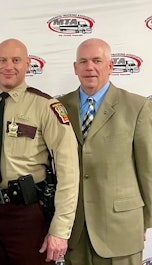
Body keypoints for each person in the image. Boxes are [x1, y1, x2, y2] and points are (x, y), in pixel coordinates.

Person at [0, 38, 80, 264]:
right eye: (3, 60)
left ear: (28, 64)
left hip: (29, 214)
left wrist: (60, 229)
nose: (9, 66)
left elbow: (69, 170)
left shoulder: (46, 106)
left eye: (16, 60)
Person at [58, 38, 152, 265]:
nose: (90, 67)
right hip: (76, 232)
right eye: (83, 61)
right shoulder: (59, 106)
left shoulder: (137, 107)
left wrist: (144, 222)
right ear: (75, 67)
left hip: (121, 231)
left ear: (110, 66)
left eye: (97, 60)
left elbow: (148, 170)